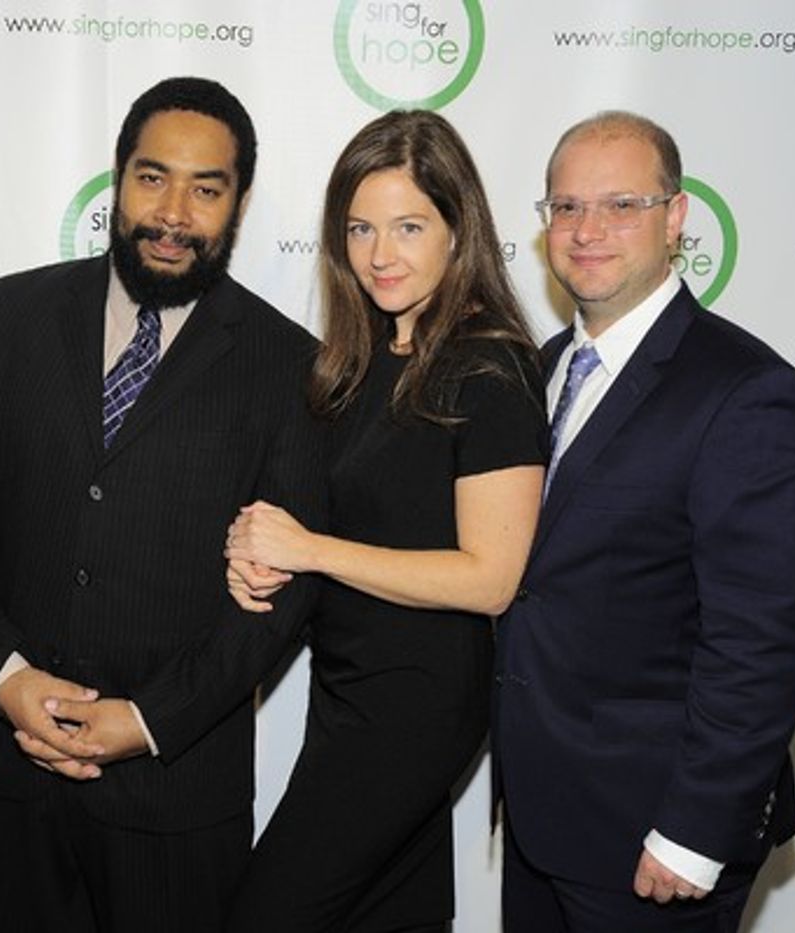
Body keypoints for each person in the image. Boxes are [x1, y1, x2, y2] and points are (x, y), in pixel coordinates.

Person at [0, 76, 327, 932]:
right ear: (117, 176)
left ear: (238, 204)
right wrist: (7, 680)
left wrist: (145, 720)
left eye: (205, 188)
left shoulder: (289, 365)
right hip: (11, 774)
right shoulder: (6, 316)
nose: (173, 211)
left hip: (176, 793)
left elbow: (281, 599)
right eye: (152, 177)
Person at [493, 111, 795, 932]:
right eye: (565, 208)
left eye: (622, 205)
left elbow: (763, 637)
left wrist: (693, 832)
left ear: (676, 218)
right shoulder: (537, 371)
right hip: (542, 821)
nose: (587, 231)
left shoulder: (748, 392)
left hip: (657, 840)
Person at [221, 110, 547, 932]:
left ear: (457, 227)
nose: (379, 253)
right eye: (361, 228)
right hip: (349, 686)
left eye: (409, 226)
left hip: (418, 704)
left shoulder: (490, 363)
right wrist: (257, 551)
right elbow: (337, 516)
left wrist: (311, 548)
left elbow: (492, 576)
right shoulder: (360, 359)